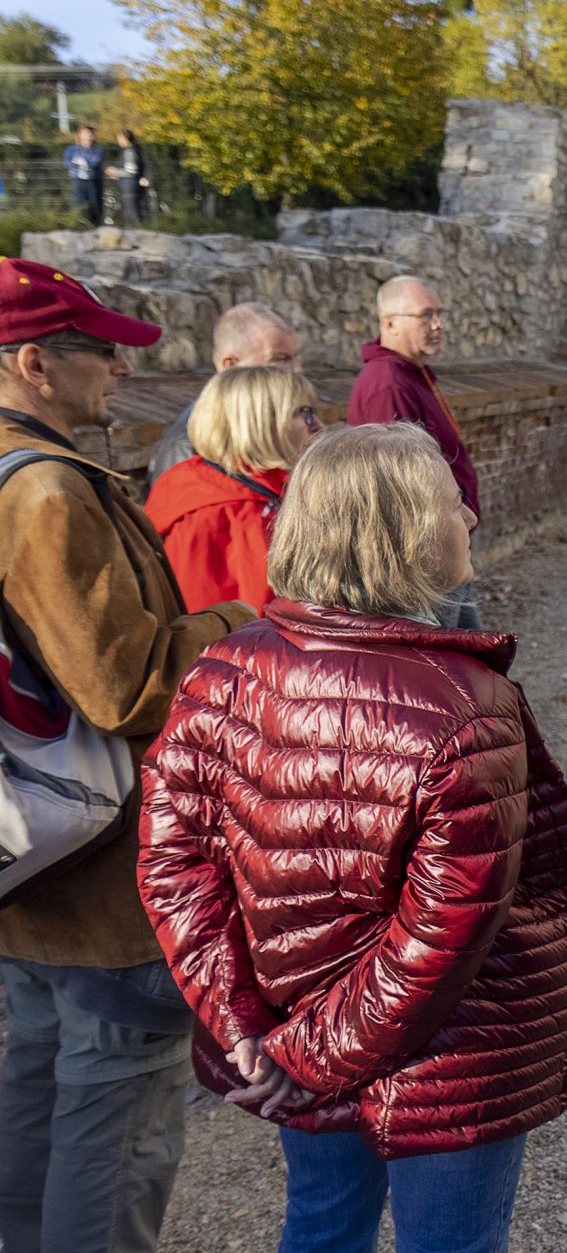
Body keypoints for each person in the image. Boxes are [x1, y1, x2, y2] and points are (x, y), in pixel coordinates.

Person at [137, 422, 567, 1253]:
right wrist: (291, 1054)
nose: (473, 518)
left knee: (321, 1225)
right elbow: (442, 940)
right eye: (455, 504)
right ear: (406, 537)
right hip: (448, 1058)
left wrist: (251, 1032)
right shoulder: (464, 710)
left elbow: (176, 869)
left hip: (290, 1026)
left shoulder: (219, 673)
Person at [0, 257, 255, 1253]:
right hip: (103, 873)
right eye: (97, 352)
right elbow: (124, 683)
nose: (116, 370)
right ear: (34, 362)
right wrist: (240, 622)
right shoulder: (45, 492)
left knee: (34, 1098)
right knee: (117, 1129)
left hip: (31, 856)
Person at [349, 275, 484, 630]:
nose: (439, 324)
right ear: (390, 322)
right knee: (448, 659)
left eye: (440, 313)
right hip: (426, 555)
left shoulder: (412, 374)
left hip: (446, 543)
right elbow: (398, 484)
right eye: (426, 315)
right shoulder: (388, 384)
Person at [145, 366, 324, 611]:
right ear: (259, 422)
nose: (318, 425)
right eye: (305, 413)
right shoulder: (232, 513)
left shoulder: (236, 490)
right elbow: (248, 622)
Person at [145, 302, 304, 488]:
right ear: (230, 365)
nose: (297, 370)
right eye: (280, 359)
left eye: (296, 356)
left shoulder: (282, 421)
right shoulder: (187, 443)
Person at [63, 126, 105, 227]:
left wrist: (81, 162)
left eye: (91, 134)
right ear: (80, 135)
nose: (89, 136)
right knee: (79, 206)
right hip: (78, 181)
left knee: (95, 206)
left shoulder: (97, 150)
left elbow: (95, 162)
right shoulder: (72, 149)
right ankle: (80, 227)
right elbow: (68, 162)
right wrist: (80, 163)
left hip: (93, 181)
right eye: (86, 133)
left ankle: (96, 227)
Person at [111, 130, 150, 226]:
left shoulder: (129, 152)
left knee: (132, 217)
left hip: (130, 188)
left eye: (119, 138)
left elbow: (130, 171)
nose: (118, 141)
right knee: (137, 215)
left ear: (124, 139)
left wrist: (115, 172)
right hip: (135, 187)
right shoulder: (137, 150)